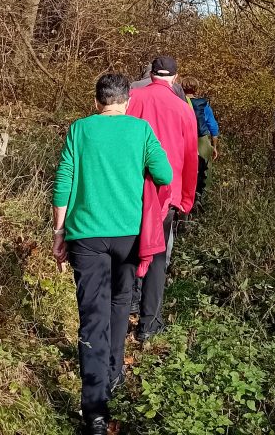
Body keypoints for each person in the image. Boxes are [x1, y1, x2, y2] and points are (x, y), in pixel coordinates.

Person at [51, 73, 173, 435]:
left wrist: (59, 232)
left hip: (86, 236)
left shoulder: (80, 130)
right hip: (130, 236)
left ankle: (95, 413)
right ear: (128, 102)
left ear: (96, 102)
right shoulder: (140, 130)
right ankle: (114, 372)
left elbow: (63, 182)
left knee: (92, 315)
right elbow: (164, 173)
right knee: (122, 300)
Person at [126, 55, 198, 342]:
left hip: (130, 187)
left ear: (151, 73)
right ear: (175, 78)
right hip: (166, 194)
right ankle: (149, 323)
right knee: (157, 256)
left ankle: (128, 300)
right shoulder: (183, 109)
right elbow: (190, 157)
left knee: (129, 245)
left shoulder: (131, 98)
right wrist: (186, 200)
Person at [182, 78, 219, 206]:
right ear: (196, 88)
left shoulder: (178, 102)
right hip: (201, 139)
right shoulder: (203, 104)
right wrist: (214, 146)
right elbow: (212, 125)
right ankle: (202, 200)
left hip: (183, 139)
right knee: (205, 170)